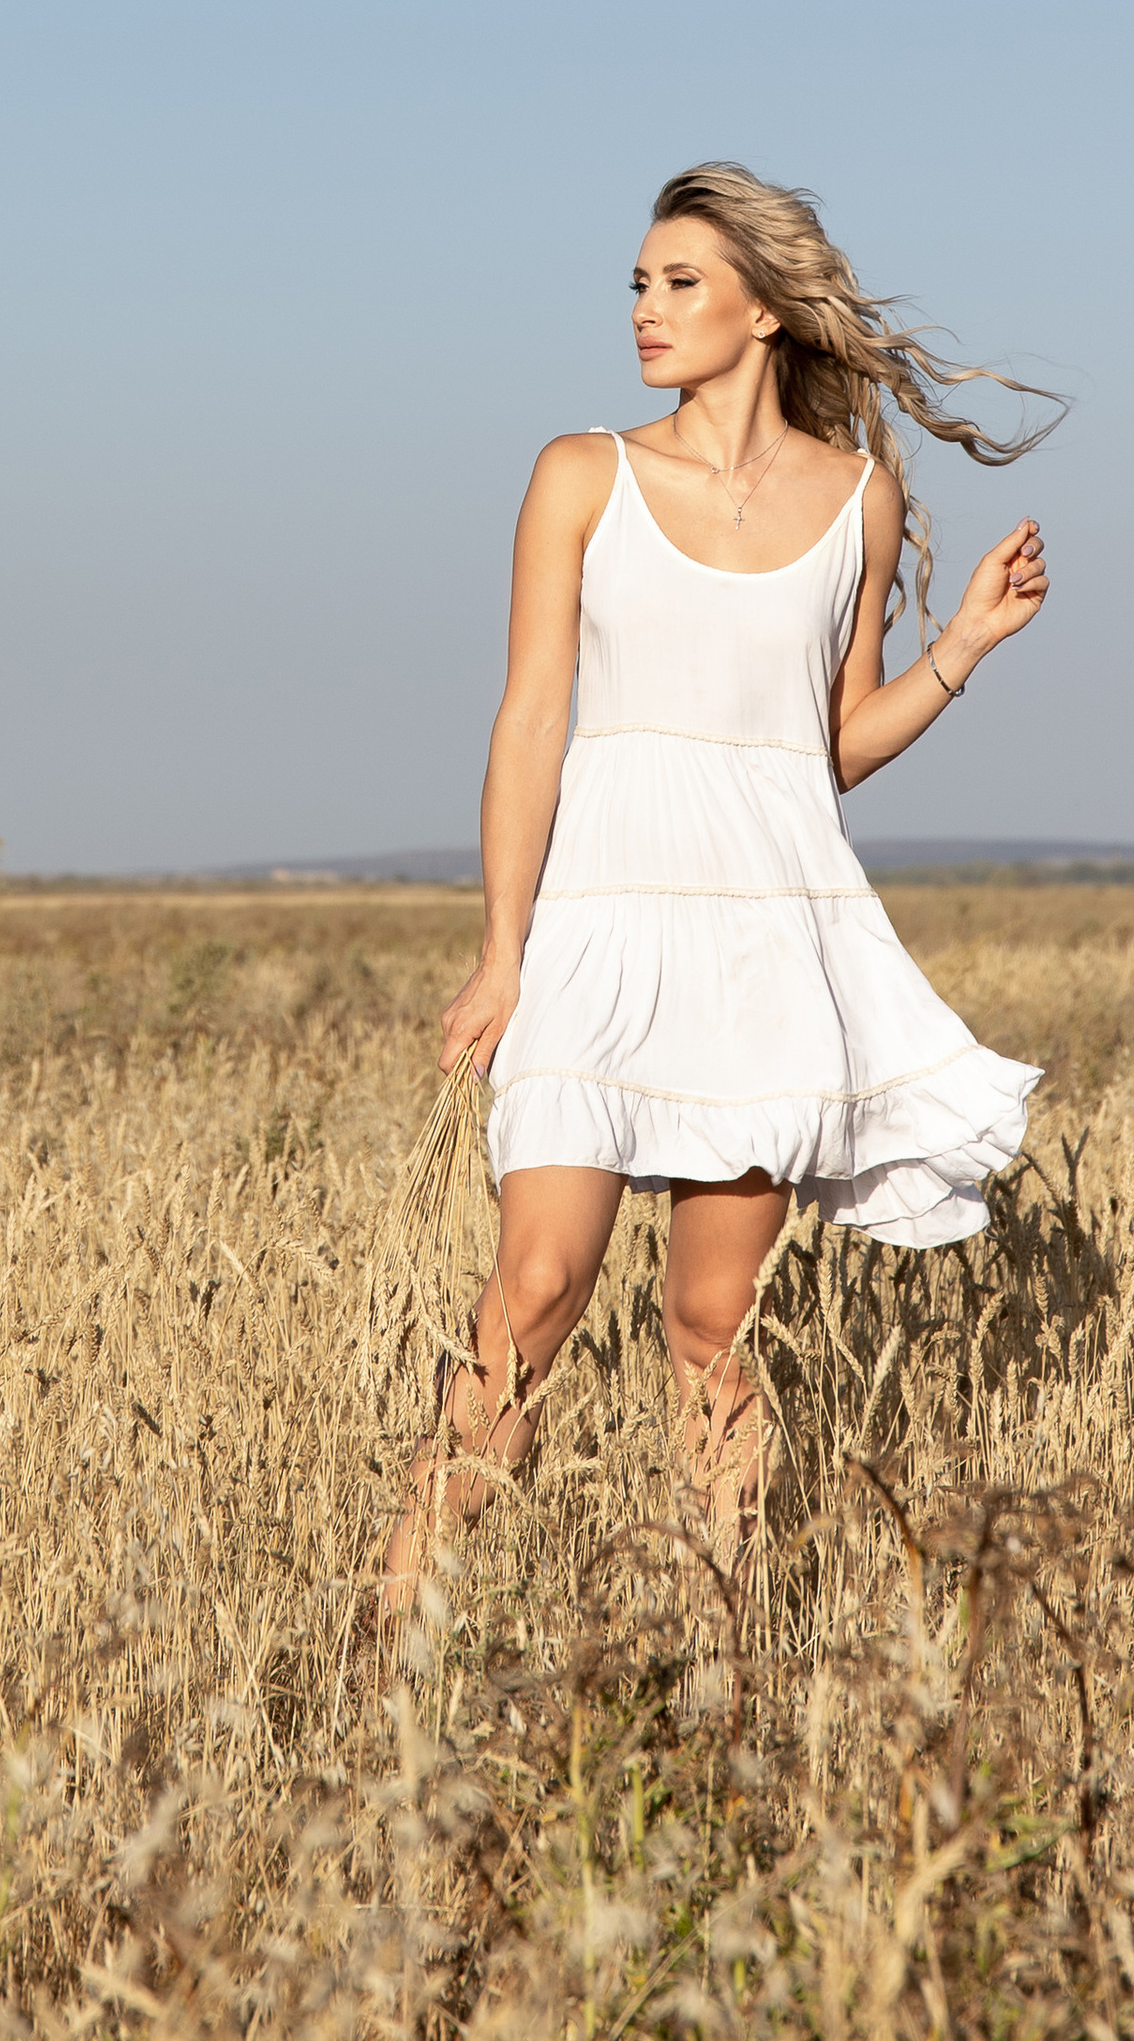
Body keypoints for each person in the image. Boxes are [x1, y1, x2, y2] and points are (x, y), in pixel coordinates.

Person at [381, 160, 1056, 1615]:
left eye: (679, 282)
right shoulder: (582, 474)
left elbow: (828, 750)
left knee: (709, 1322)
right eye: (638, 283)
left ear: (764, 310)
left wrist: (965, 646)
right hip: (599, 930)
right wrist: (503, 954)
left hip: (765, 943)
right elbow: (531, 720)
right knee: (533, 1294)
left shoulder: (859, 500)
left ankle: (718, 1653)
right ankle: (393, 1627)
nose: (645, 308)